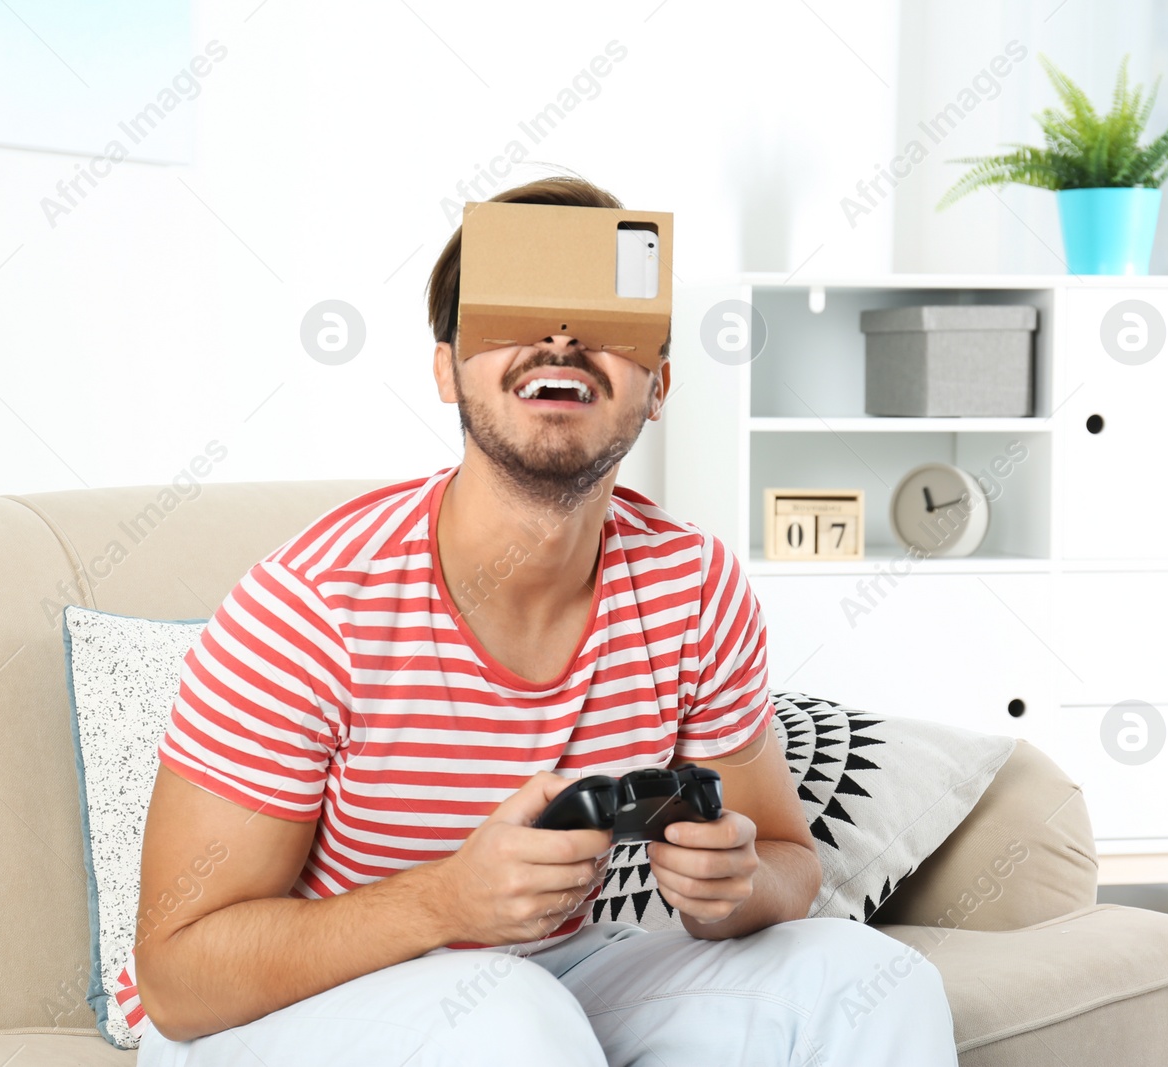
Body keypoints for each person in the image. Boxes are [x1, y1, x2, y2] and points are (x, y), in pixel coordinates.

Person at [128, 173, 958, 1066]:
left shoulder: (692, 584)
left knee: (874, 983)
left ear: (659, 383)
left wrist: (739, 883)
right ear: (445, 366)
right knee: (511, 1020)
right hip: (291, 1010)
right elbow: (177, 979)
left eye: (603, 322)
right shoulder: (313, 605)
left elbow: (789, 859)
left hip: (555, 970)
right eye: (516, 313)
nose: (560, 340)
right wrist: (445, 901)